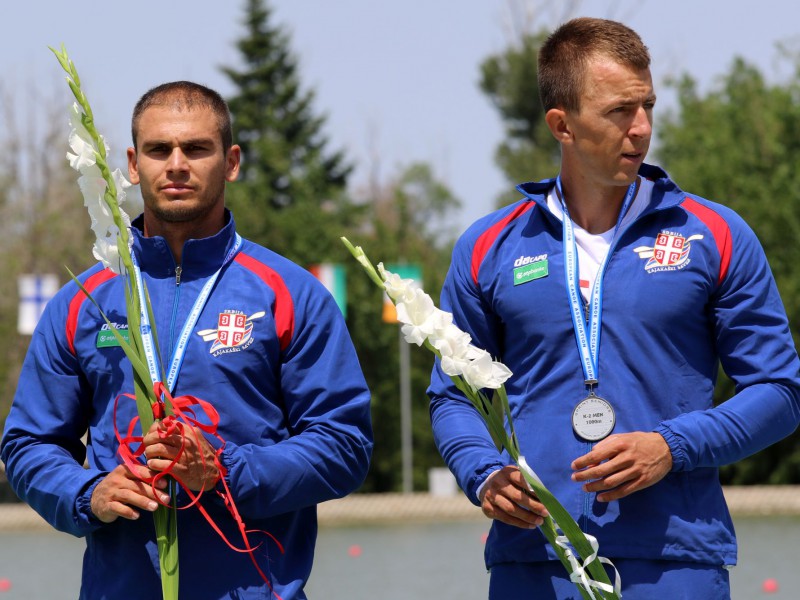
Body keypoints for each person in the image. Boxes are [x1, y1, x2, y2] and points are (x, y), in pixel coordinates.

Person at [428, 17, 800, 599]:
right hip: (534, 558)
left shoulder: (717, 234)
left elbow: (780, 392)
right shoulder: (487, 246)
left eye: (647, 105)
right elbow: (452, 395)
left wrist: (672, 446)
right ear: (562, 125)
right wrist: (482, 474)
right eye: (619, 111)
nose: (642, 129)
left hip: (675, 562)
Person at [0, 81, 373, 599]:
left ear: (232, 161)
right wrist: (87, 492)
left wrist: (223, 472)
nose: (177, 164)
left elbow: (344, 444)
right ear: (133, 164)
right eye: (159, 150)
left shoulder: (290, 293)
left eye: (197, 148)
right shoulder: (82, 301)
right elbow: (29, 444)